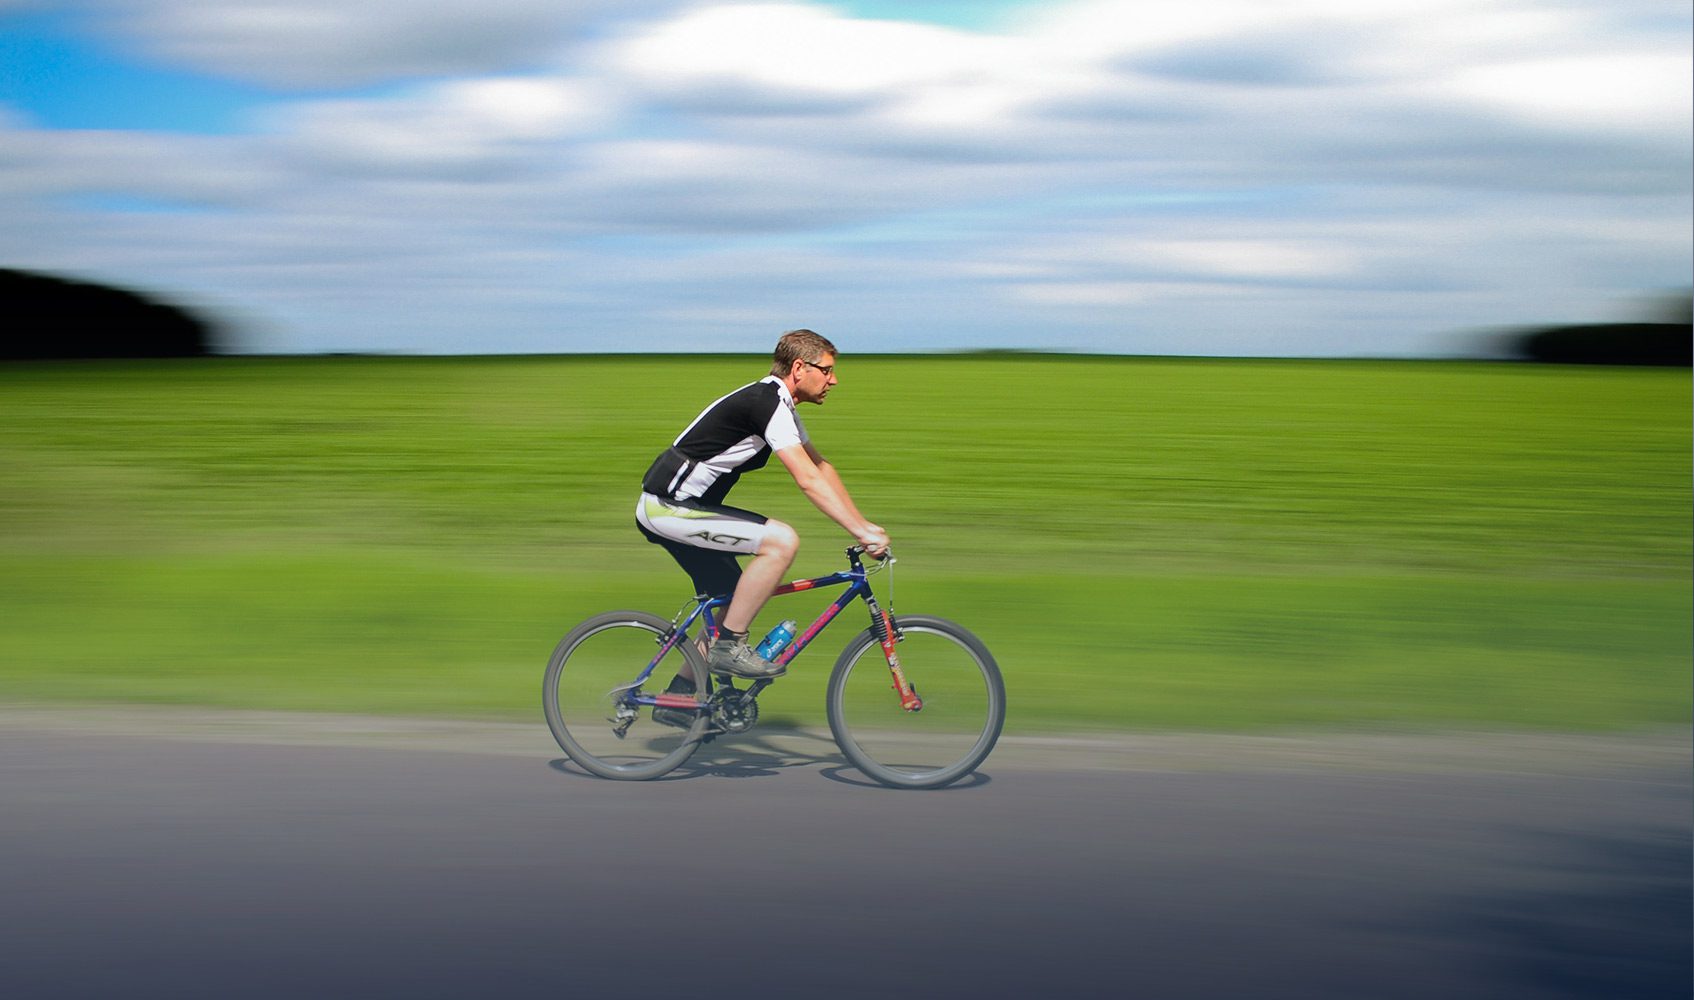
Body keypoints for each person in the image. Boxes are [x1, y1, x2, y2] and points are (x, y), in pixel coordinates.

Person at [636, 329, 890, 704]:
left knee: (732, 603)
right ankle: (731, 648)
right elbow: (806, 480)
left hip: (685, 509)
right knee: (782, 541)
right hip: (667, 508)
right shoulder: (767, 402)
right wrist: (859, 531)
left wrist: (864, 526)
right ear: (800, 368)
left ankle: (679, 701)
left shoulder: (780, 406)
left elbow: (821, 469)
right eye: (828, 370)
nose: (834, 380)